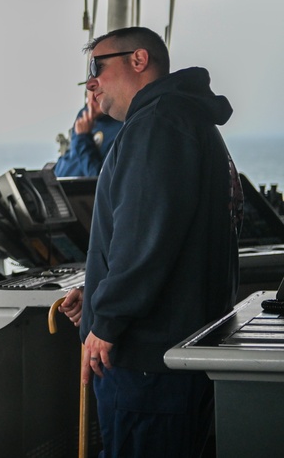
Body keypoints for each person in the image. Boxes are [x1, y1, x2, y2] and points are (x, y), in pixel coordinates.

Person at [58, 26, 243, 456]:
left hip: (148, 359)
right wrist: (96, 295)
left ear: (138, 60)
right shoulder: (186, 120)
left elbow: (145, 238)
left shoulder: (157, 123)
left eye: (97, 66)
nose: (91, 82)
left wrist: (106, 319)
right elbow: (170, 239)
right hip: (177, 349)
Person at [53, 89, 122, 177]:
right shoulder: (84, 114)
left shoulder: (121, 127)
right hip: (58, 181)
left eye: (99, 89)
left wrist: (83, 137)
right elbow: (72, 157)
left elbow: (98, 178)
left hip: (81, 189)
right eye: (90, 90)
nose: (92, 98)